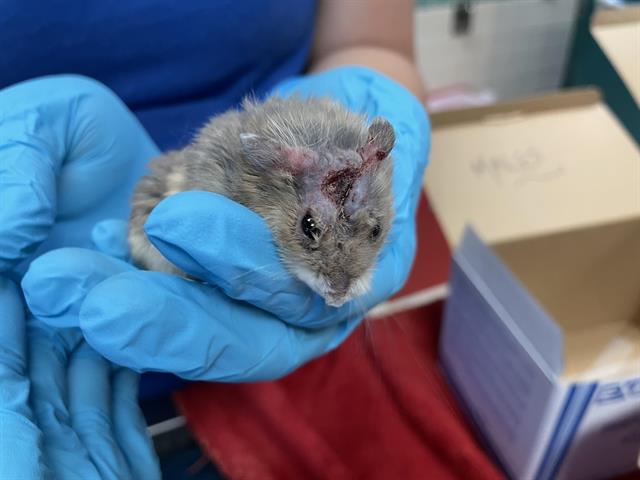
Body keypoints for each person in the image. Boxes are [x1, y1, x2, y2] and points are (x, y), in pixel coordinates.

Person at [0, 1, 430, 478]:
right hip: (111, 293)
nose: (340, 274)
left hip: (269, 390)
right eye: (310, 229)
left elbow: (371, 43)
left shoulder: (369, 174)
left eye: (371, 230)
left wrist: (382, 90)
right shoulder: (255, 171)